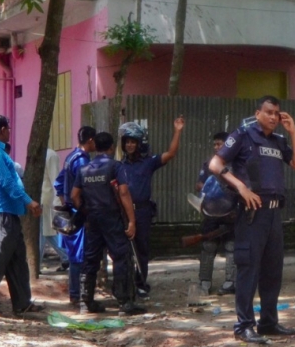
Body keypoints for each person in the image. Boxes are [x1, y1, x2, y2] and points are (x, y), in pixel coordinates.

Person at [209, 96, 295, 344]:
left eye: (277, 113)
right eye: (269, 112)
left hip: (273, 213)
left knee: (273, 270)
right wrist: (241, 187)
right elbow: (215, 163)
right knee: (248, 269)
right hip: (251, 213)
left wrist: (293, 132)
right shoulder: (243, 135)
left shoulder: (278, 140)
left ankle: (269, 323)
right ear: (258, 113)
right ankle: (244, 325)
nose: (273, 117)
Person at [0, 115, 43, 316]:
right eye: (9, 129)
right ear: (3, 129)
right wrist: (28, 201)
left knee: (16, 258)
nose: (10, 132)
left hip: (8, 211)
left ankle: (22, 302)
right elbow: (7, 182)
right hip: (0, 212)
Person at [71, 132, 144, 315]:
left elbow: (74, 196)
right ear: (112, 147)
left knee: (90, 260)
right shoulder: (115, 166)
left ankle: (85, 302)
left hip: (93, 219)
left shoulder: (84, 169)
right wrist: (132, 221)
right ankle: (124, 302)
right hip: (112, 218)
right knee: (121, 257)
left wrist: (86, 211)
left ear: (95, 146)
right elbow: (124, 193)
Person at [118, 116, 185, 298]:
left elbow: (170, 153)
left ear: (139, 144)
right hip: (123, 212)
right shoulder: (119, 166)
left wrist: (177, 131)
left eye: (133, 142)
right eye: (127, 142)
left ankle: (141, 283)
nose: (130, 145)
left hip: (142, 211)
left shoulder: (148, 162)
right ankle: (125, 283)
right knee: (122, 249)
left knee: (141, 249)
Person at [55, 126, 97, 306]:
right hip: (78, 213)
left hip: (70, 211)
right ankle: (77, 294)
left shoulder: (70, 157)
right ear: (90, 140)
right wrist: (81, 210)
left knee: (75, 255)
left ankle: (76, 293)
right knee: (78, 256)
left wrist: (65, 204)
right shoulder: (81, 160)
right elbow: (83, 188)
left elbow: (59, 183)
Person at [198, 132, 237, 295]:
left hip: (231, 213)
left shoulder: (236, 165)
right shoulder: (208, 164)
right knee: (208, 246)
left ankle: (231, 282)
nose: (216, 147)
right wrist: (211, 190)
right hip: (211, 213)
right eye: (215, 144)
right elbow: (199, 185)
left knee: (231, 247)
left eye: (220, 144)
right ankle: (204, 282)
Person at [40, 147, 66, 272]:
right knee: (46, 233)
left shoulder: (50, 155)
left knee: (45, 233)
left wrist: (57, 201)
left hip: (48, 200)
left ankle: (67, 257)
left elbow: (55, 179)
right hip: (42, 200)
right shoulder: (42, 155)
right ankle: (67, 257)